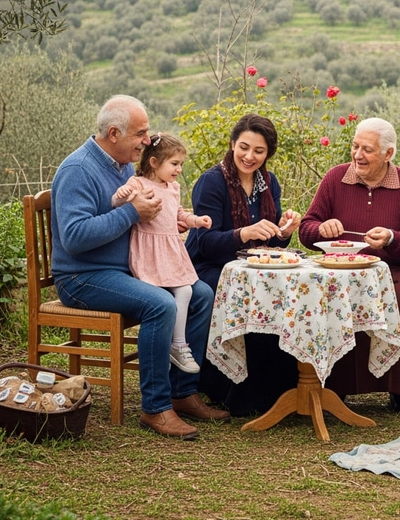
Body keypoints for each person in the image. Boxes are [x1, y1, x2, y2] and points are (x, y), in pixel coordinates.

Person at [50, 95, 229, 440]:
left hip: (122, 269)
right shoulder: (78, 170)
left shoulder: (121, 166)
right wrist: (132, 213)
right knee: (159, 304)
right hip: (82, 276)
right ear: (114, 133)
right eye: (141, 133)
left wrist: (161, 221)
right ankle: (156, 408)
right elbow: (74, 237)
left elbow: (137, 215)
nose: (148, 141)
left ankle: (182, 393)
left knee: (201, 293)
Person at [299, 117, 400, 411]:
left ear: (388, 154)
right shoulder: (335, 178)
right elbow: (306, 228)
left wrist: (392, 238)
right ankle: (336, 388)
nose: (357, 155)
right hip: (338, 272)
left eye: (367, 149)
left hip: (391, 271)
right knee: (330, 297)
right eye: (355, 146)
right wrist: (321, 229)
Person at [185, 113, 302, 415]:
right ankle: (232, 391)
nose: (250, 156)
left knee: (287, 293)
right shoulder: (212, 182)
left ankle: (283, 388)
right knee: (245, 295)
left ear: (268, 154)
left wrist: (284, 232)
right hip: (210, 268)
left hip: (253, 269)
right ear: (232, 144)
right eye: (244, 147)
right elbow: (204, 243)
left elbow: (270, 243)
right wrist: (242, 234)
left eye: (259, 151)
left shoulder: (269, 182)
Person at [113, 133, 212, 375]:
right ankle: (174, 345)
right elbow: (116, 201)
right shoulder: (138, 183)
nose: (179, 169)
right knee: (170, 296)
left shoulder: (173, 187)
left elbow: (178, 213)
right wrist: (124, 195)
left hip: (170, 250)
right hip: (150, 252)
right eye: (174, 164)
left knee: (187, 289)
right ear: (155, 162)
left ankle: (176, 345)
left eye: (181, 164)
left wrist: (196, 220)